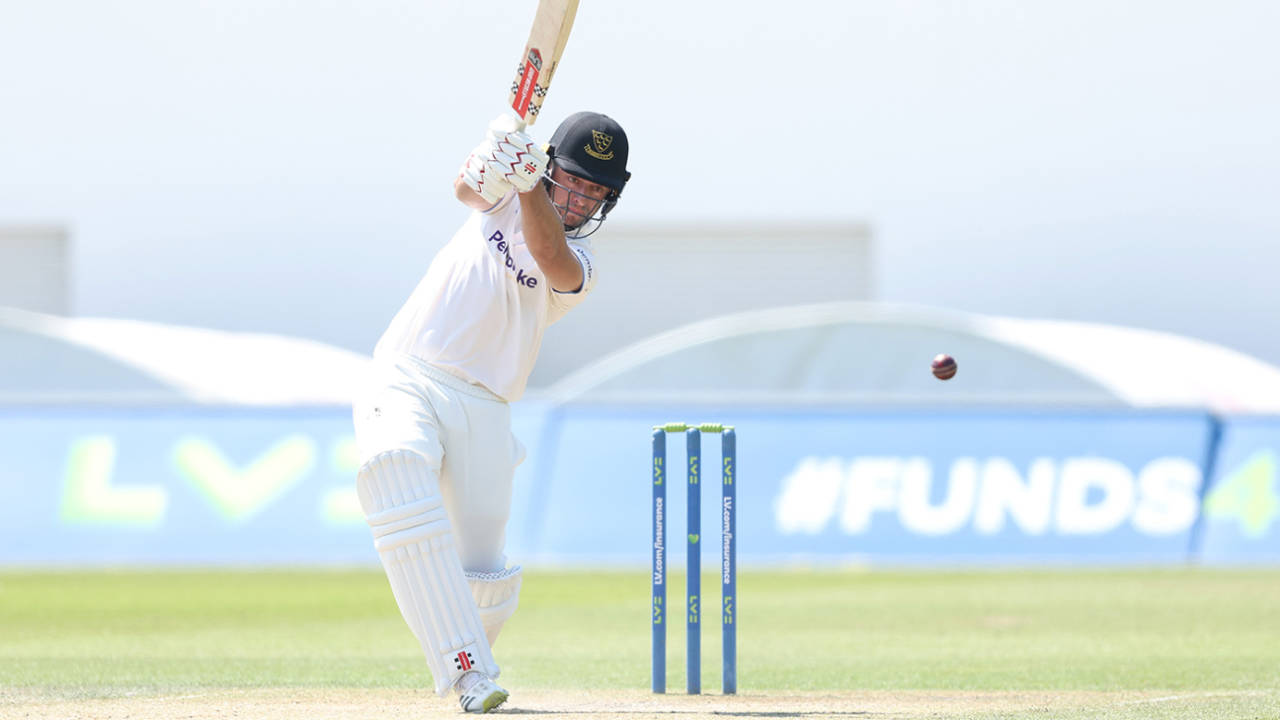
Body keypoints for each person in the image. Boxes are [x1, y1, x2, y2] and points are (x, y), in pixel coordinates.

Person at [351, 111, 631, 713]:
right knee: (394, 464)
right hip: (408, 369)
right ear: (553, 165)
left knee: (484, 580)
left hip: (485, 406)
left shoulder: (580, 267)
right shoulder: (506, 195)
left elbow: (549, 255)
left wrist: (532, 184)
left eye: (595, 192)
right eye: (574, 181)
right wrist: (496, 152)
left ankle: (470, 662)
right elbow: (466, 190)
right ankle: (468, 675)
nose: (582, 198)